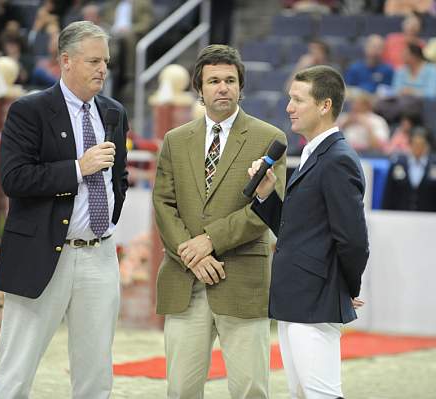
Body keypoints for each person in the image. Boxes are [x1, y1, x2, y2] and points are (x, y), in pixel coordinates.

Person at [0, 21, 129, 398]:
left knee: (96, 373)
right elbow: (14, 179)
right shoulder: (29, 110)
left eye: (106, 62)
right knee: (16, 370)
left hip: (99, 254)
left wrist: (108, 220)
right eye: (94, 61)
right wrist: (77, 168)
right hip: (42, 253)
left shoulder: (114, 112)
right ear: (66, 61)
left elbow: (120, 176)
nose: (103, 69)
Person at [152, 44, 287, 399]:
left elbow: (265, 208)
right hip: (186, 280)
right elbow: (164, 205)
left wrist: (208, 241)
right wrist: (192, 254)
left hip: (243, 283)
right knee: (180, 389)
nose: (222, 87)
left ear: (241, 87)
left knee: (251, 390)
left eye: (230, 80)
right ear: (200, 88)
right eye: (213, 81)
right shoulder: (175, 141)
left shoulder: (269, 138)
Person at [249, 65, 369, 399]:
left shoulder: (336, 159)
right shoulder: (315, 154)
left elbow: (353, 239)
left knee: (321, 394)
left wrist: (345, 286)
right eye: (290, 99)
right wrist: (265, 195)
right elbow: (297, 232)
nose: (289, 107)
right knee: (302, 393)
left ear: (324, 105)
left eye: (298, 100)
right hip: (298, 298)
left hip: (315, 299)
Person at [382, 127, 436, 212]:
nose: (418, 148)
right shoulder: (397, 164)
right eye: (415, 144)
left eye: (421, 144)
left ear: (427, 145)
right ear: (410, 145)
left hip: (430, 218)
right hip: (400, 216)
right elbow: (388, 194)